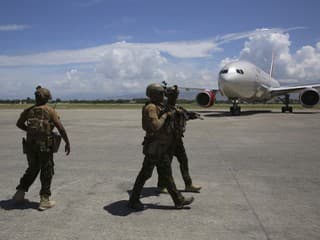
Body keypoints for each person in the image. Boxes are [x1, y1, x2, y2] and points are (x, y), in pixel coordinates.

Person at [128, 83, 194, 210]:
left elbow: (171, 106)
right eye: (161, 94)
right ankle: (133, 200)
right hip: (154, 148)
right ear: (154, 95)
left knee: (166, 174)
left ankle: (178, 200)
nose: (163, 96)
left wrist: (174, 95)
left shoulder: (159, 106)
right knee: (145, 175)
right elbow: (155, 126)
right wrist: (165, 116)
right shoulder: (151, 108)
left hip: (161, 148)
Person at [12, 86, 71, 211]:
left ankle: (19, 194)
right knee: (47, 171)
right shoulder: (50, 111)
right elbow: (60, 128)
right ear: (47, 98)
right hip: (45, 147)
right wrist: (67, 142)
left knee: (32, 168)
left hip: (30, 146)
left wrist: (31, 131)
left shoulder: (29, 110)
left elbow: (19, 124)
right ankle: (44, 200)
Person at [157, 85, 202, 193]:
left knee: (184, 161)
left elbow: (185, 114)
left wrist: (193, 115)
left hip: (177, 140)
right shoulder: (163, 108)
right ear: (168, 96)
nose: (176, 97)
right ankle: (162, 185)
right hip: (167, 141)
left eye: (176, 95)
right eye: (174, 95)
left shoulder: (177, 107)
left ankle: (188, 184)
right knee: (166, 164)